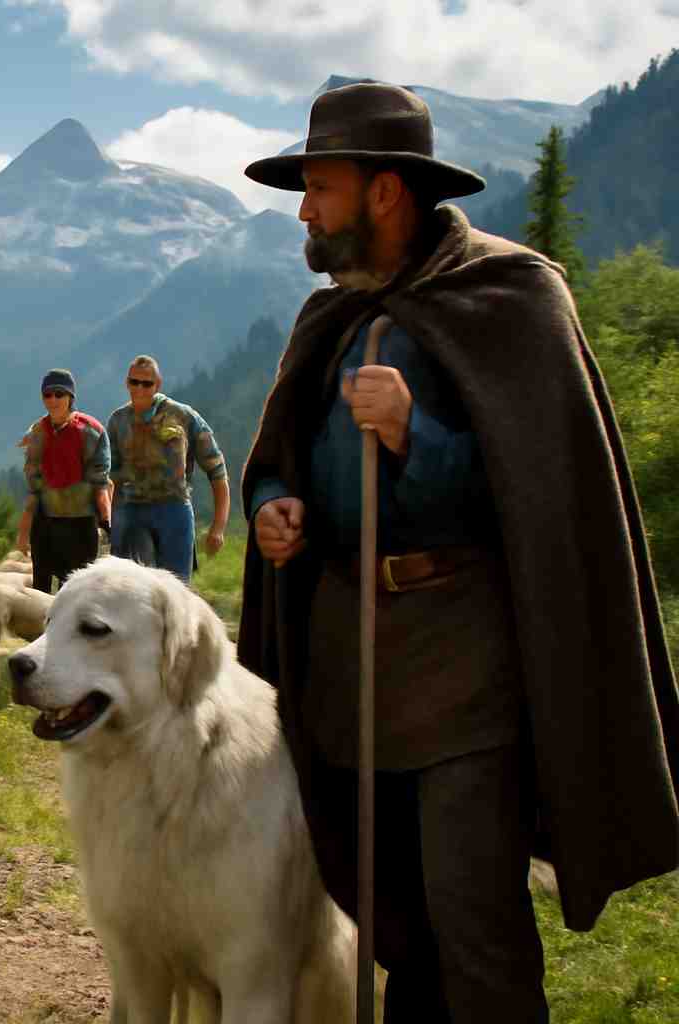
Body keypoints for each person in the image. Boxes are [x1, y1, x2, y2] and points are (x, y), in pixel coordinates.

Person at [237, 81, 679, 1023]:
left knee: (473, 915)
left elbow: (547, 494)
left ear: (386, 191)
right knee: (397, 921)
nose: (304, 212)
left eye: (319, 188)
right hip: (348, 666)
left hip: (469, 670)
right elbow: (277, 461)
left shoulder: (513, 296)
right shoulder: (332, 318)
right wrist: (276, 507)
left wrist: (414, 435)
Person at [104, 355, 230, 580]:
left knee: (177, 588)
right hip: (133, 511)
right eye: (134, 382)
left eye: (147, 383)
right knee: (134, 586)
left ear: (158, 385)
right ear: (127, 383)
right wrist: (111, 524)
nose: (140, 388)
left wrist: (218, 527)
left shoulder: (183, 416)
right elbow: (112, 479)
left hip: (174, 510)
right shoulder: (118, 421)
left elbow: (217, 471)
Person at [16, 369, 110, 595]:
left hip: (80, 526)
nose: (53, 400)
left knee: (76, 595)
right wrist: (23, 532)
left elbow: (101, 483)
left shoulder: (92, 432)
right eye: (48, 395)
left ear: (70, 397)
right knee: (41, 592)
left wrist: (106, 521)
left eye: (59, 394)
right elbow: (34, 488)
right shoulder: (37, 433)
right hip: (45, 525)